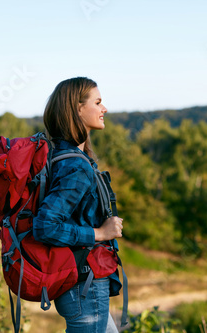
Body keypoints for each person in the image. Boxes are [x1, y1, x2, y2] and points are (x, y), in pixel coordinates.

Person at [32, 77, 123, 332]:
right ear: (78, 108)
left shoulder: (60, 155)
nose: (104, 108)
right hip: (84, 283)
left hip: (84, 282)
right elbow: (45, 226)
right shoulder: (76, 165)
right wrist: (100, 233)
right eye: (98, 102)